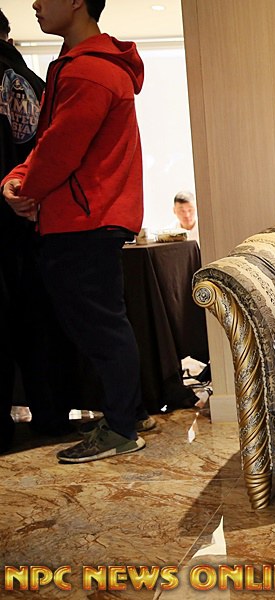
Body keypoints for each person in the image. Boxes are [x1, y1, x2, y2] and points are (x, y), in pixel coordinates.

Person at [2, 0, 149, 462]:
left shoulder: (89, 70)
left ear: (76, 2)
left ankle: (122, 427)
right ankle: (128, 415)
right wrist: (16, 180)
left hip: (85, 220)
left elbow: (60, 150)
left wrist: (26, 191)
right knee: (103, 324)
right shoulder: (82, 65)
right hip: (87, 217)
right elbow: (48, 143)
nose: (35, 3)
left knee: (100, 328)